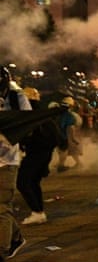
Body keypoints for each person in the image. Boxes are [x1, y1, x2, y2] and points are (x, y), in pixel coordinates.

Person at [0, 66, 31, 262]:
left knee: (1, 208)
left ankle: (0, 255)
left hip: (6, 162)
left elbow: (27, 122)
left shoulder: (16, 97)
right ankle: (15, 237)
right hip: (8, 160)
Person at [17, 88, 62, 225]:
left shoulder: (31, 115)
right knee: (33, 182)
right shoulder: (42, 115)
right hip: (43, 152)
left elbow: (28, 135)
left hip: (36, 152)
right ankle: (39, 212)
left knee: (23, 182)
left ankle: (36, 211)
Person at [55, 96, 83, 171]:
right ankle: (61, 165)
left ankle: (78, 163)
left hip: (58, 135)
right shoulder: (70, 116)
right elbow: (71, 128)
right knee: (64, 150)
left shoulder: (57, 114)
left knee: (68, 150)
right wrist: (73, 139)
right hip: (63, 136)